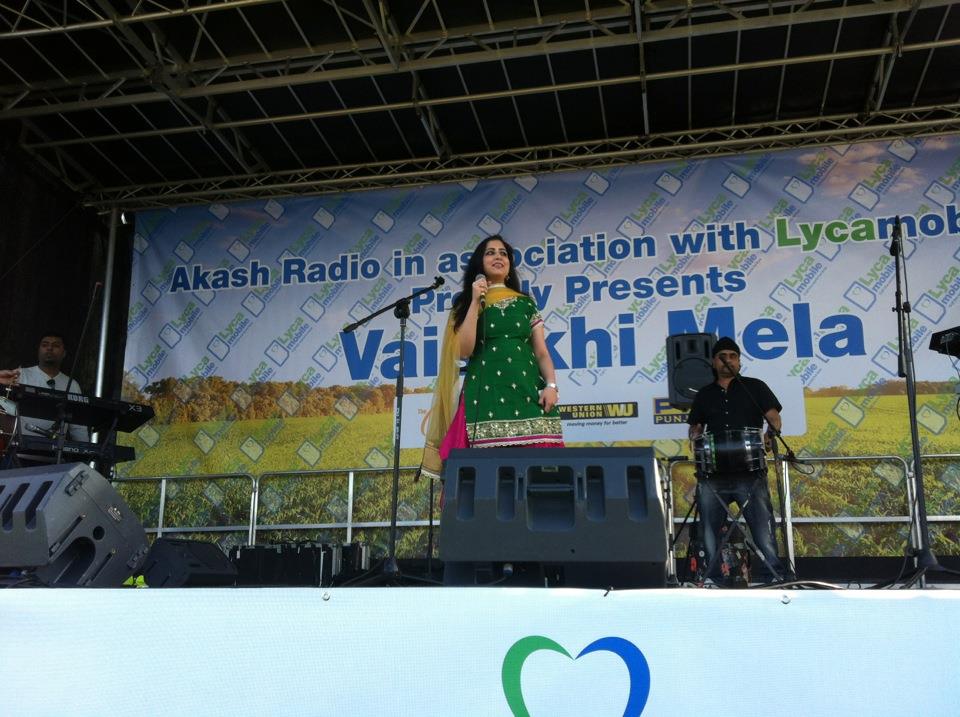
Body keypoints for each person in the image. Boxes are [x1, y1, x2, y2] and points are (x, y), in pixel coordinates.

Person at [420, 235, 564, 480]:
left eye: (503, 253)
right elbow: (464, 351)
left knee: (539, 472)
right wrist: (475, 302)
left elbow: (541, 352)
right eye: (490, 252)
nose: (498, 256)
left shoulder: (526, 303)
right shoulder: (467, 303)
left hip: (527, 389)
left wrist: (551, 385)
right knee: (482, 478)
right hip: (484, 395)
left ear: (509, 265)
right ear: (479, 263)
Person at [687, 336, 786, 584]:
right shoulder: (705, 394)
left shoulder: (755, 387)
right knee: (709, 528)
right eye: (722, 357)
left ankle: (772, 576)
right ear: (713, 362)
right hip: (714, 475)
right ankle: (711, 578)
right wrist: (695, 438)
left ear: (739, 362)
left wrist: (769, 435)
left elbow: (773, 416)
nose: (728, 361)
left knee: (761, 526)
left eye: (732, 356)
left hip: (749, 473)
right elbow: (696, 427)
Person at [15, 333, 88, 442]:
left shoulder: (72, 385)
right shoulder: (20, 375)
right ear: (38, 351)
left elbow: (78, 427)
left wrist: (86, 450)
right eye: (45, 345)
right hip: (19, 447)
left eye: (56, 345)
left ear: (64, 353)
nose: (49, 348)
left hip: (57, 451)